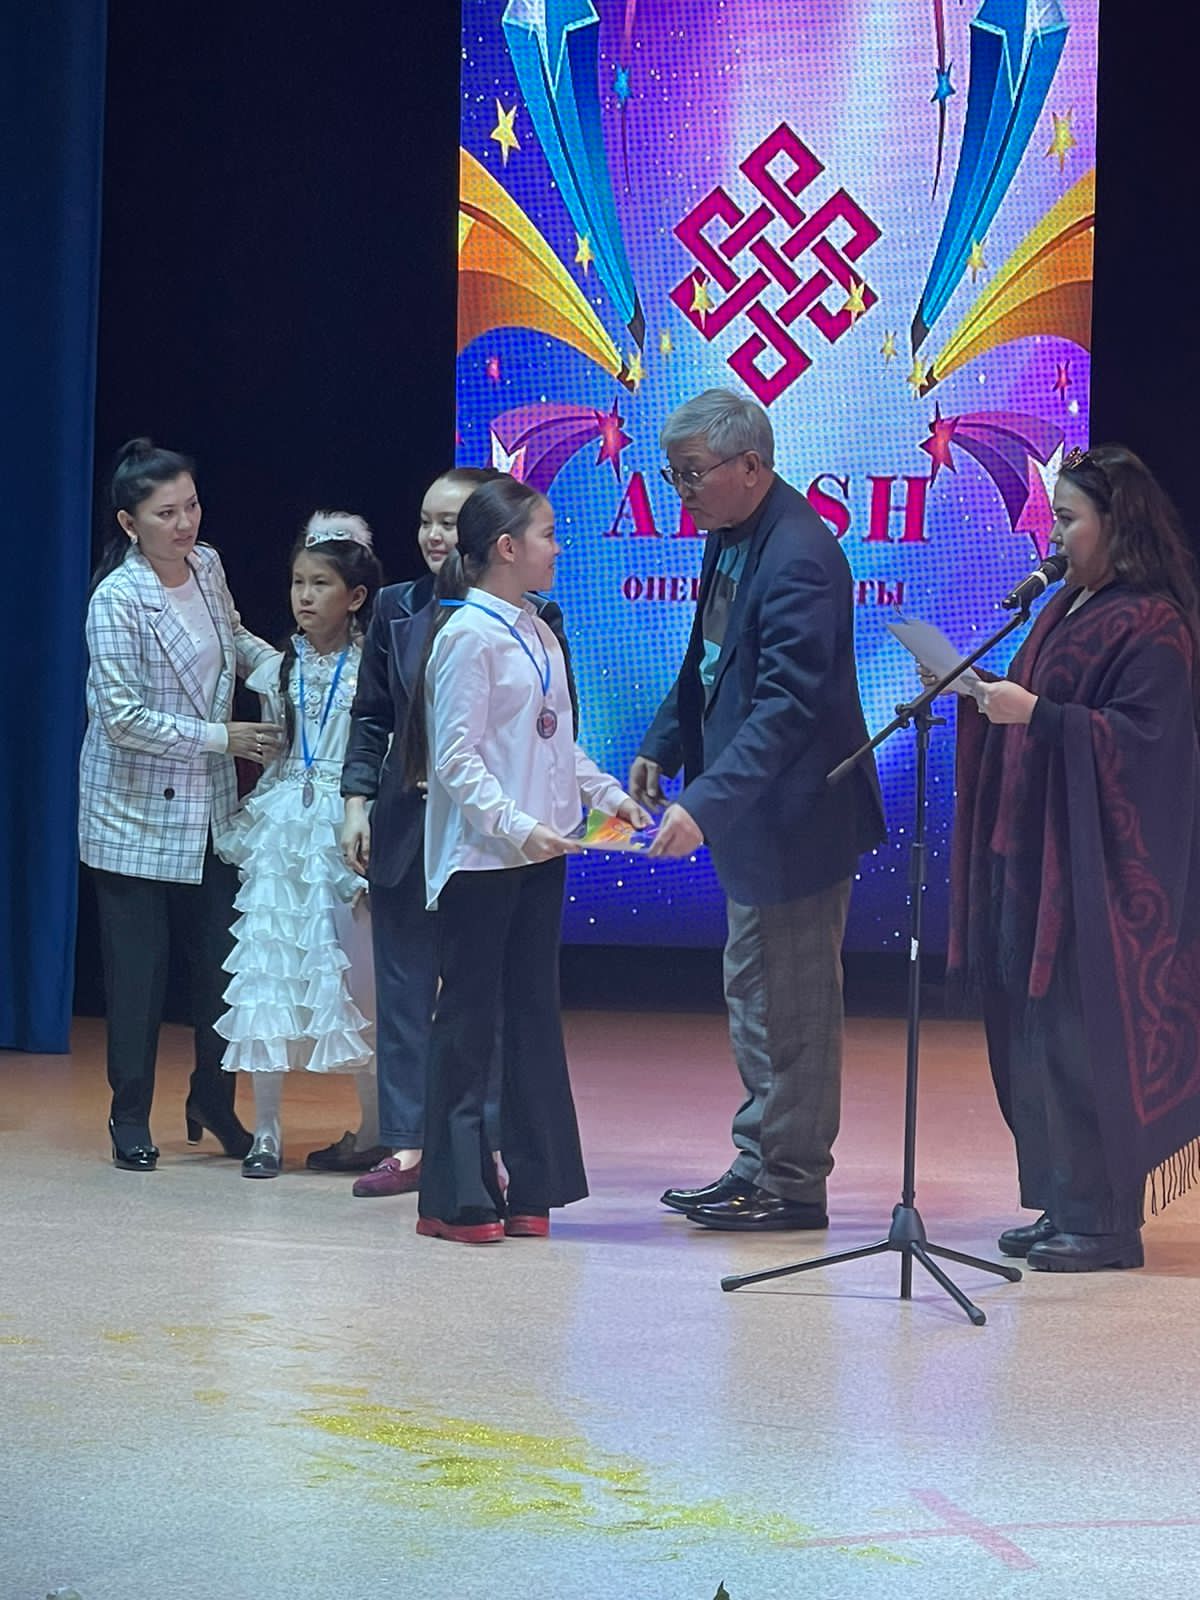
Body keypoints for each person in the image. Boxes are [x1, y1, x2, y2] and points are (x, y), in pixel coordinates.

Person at [939, 444, 1200, 1271]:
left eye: (1066, 518)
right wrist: (982, 696)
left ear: (1117, 525)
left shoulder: (1153, 622)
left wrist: (1040, 715)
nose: (1051, 536)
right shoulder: (1063, 606)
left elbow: (1146, 742)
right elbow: (1040, 703)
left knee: (1081, 1040)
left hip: (1096, 876)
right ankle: (1063, 1200)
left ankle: (1105, 1222)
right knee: (1035, 1037)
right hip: (1031, 856)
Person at [631, 389, 886, 1231]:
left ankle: (791, 1183)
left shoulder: (801, 555)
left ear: (750, 465)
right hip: (754, 818)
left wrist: (703, 804)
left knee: (795, 1008)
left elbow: (787, 707)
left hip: (796, 820)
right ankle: (759, 1161)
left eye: (692, 473)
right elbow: (708, 661)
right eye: (672, 476)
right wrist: (664, 742)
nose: (682, 492)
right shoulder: (732, 533)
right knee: (756, 994)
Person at [408, 475, 648, 1244]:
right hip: (483, 859)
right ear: (507, 548)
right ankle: (456, 1197)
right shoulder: (466, 636)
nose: (558, 547)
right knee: (469, 1023)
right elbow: (454, 758)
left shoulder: (539, 630)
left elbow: (555, 743)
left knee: (533, 1018)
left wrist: (608, 796)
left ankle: (532, 1186)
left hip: (541, 853)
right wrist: (516, 826)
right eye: (547, 535)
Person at [339, 468, 579, 1196]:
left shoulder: (535, 620)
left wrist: (583, 805)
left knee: (497, 999)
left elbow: (552, 733)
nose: (435, 535)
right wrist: (356, 801)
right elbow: (379, 716)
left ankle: (495, 1153)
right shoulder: (405, 609)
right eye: (426, 520)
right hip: (421, 822)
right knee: (412, 989)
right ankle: (414, 1147)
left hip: (500, 837)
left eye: (450, 521)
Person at [80, 437, 284, 1171]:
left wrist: (284, 668)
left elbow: (233, 636)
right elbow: (122, 719)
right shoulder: (117, 599)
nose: (185, 523)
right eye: (165, 513)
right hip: (132, 811)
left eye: (191, 505)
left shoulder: (209, 565)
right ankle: (129, 1114)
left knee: (222, 968)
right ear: (129, 523)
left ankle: (212, 1098)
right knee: (139, 977)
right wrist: (222, 736)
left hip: (210, 808)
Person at [215, 513, 384, 1177]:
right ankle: (266, 1132)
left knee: (358, 979)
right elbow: (278, 750)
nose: (305, 596)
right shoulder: (278, 669)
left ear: (356, 595)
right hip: (285, 828)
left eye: (321, 584)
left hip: (347, 823)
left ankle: (377, 1128)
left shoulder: (374, 666)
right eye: (297, 582)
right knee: (268, 973)